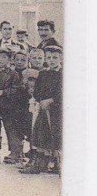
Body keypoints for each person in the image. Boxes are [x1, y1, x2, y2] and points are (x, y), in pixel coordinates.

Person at [20, 45, 62, 175]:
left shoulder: (63, 74)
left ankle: (57, 164)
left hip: (58, 112)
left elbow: (64, 92)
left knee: (56, 136)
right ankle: (39, 165)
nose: (51, 60)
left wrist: (51, 100)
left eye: (55, 57)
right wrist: (41, 100)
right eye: (49, 57)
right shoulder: (43, 73)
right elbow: (37, 91)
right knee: (41, 135)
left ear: (60, 58)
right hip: (44, 110)